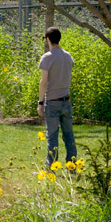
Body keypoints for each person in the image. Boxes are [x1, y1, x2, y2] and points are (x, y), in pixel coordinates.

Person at [38, 26, 76, 167]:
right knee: (69, 136)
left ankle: (51, 168)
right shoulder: (67, 56)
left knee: (52, 137)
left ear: (47, 39)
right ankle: (72, 166)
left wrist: (40, 103)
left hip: (53, 101)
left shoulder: (47, 57)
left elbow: (43, 82)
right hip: (66, 100)